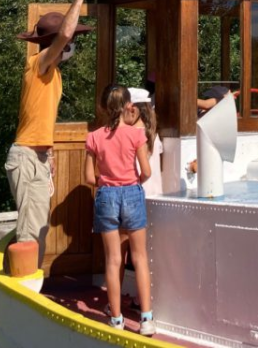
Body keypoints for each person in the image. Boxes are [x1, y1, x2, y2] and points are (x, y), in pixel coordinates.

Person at [5, 0, 94, 257]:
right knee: (29, 233)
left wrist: (51, 152)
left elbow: (43, 117)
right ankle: (22, 293)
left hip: (39, 156)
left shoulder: (54, 75)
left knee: (39, 227)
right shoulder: (38, 64)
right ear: (56, 43)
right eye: (68, 41)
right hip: (26, 156)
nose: (71, 45)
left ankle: (30, 289)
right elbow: (65, 34)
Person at [84, 85, 156, 335]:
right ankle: (146, 319)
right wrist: (133, 183)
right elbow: (146, 171)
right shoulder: (136, 135)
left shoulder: (94, 137)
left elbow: (88, 178)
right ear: (128, 106)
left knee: (113, 261)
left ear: (104, 107)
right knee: (139, 257)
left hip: (107, 196)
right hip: (132, 192)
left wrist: (107, 181)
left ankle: (116, 319)